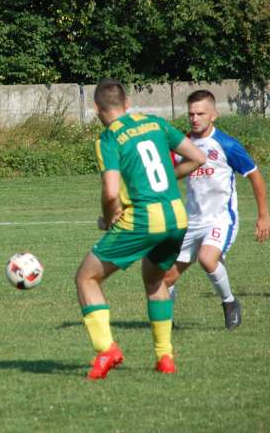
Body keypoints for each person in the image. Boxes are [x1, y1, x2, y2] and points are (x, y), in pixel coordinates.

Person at [75, 79, 206, 380]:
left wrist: (109, 218)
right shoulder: (155, 123)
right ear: (128, 103)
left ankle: (106, 348)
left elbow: (110, 193)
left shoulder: (109, 138)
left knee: (87, 277)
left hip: (144, 218)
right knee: (154, 280)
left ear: (96, 107)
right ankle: (165, 357)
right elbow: (198, 157)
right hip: (176, 216)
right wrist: (169, 182)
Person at [163, 90, 270, 329]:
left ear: (214, 115)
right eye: (191, 114)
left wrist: (263, 215)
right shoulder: (182, 145)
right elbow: (165, 177)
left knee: (207, 258)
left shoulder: (226, 144)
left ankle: (229, 302)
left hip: (220, 219)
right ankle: (166, 325)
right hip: (191, 221)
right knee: (166, 277)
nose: (195, 118)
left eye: (200, 113)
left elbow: (254, 175)